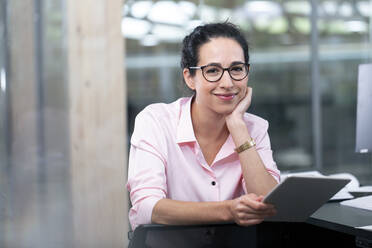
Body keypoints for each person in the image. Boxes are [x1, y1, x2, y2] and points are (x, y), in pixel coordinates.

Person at [127, 22, 280, 231]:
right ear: (190, 77)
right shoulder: (155, 122)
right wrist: (228, 210)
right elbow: (147, 207)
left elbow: (270, 205)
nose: (227, 82)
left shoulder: (255, 128)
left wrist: (237, 126)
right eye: (213, 70)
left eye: (236, 69)